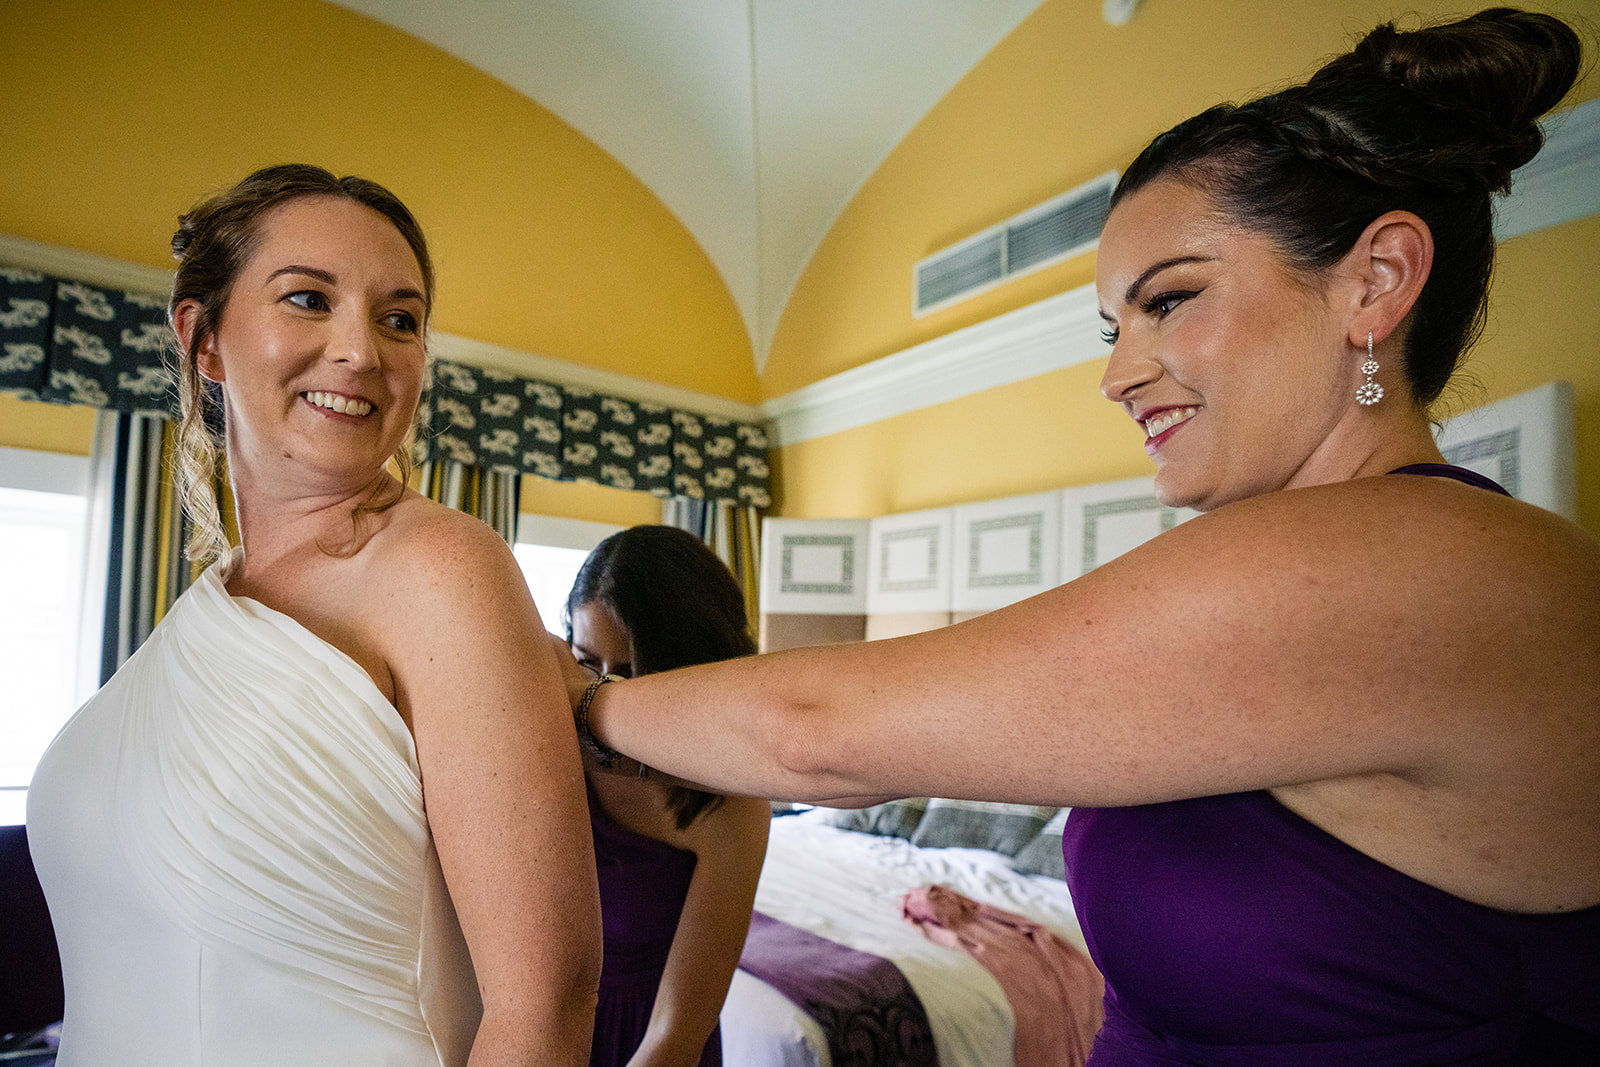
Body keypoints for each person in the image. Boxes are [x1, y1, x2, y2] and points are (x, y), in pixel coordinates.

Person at [561, 9, 1600, 1064]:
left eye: (1170, 300)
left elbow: (816, 734)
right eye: (1116, 327)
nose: (1115, 374)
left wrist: (579, 700)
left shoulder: (1429, 563)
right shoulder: (1318, 563)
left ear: (1374, 280)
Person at [26, 164, 601, 1066]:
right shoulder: (209, 606)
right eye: (307, 298)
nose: (362, 351)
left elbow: (547, 996)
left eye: (399, 319)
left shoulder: (440, 569)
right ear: (203, 338)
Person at [565, 525, 770, 1067]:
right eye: (587, 663)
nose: (601, 699)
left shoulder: (732, 803)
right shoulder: (549, 740)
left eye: (632, 674)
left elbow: (677, 1034)